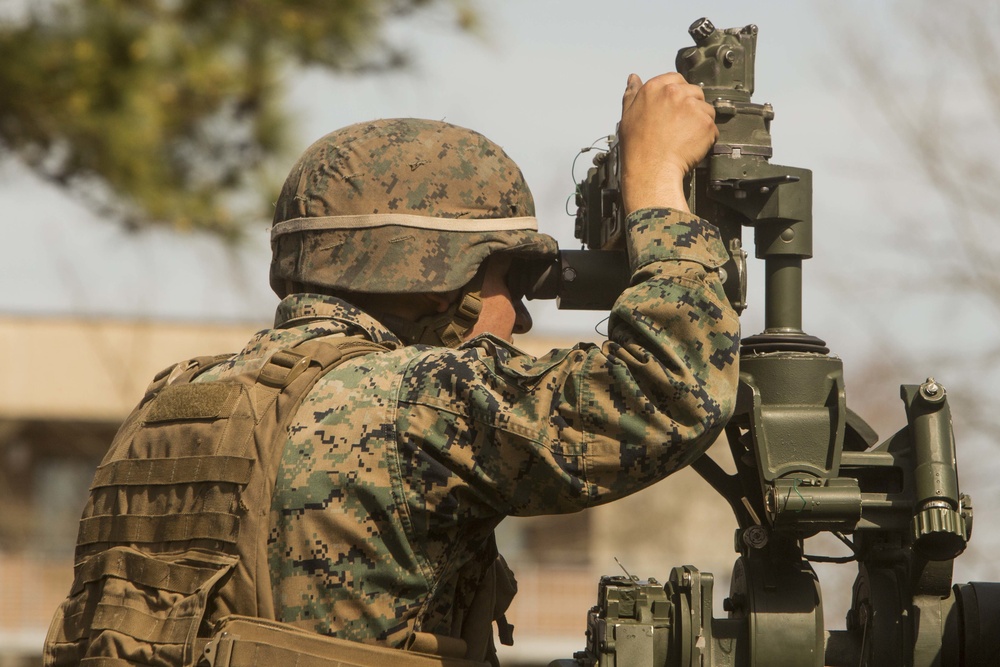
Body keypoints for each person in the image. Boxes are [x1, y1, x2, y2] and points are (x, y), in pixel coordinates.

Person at [44, 72, 739, 667]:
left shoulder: (169, 401)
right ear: (438, 282)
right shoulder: (408, 406)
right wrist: (656, 185)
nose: (520, 318)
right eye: (510, 280)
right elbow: (667, 390)